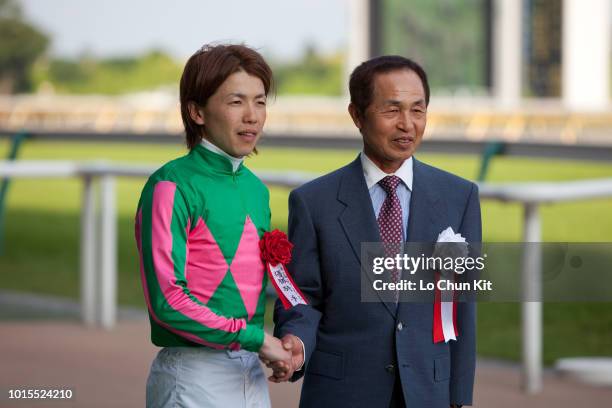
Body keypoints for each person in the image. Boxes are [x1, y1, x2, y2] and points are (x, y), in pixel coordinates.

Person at [270, 56, 480, 407]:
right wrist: (296, 342)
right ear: (357, 115)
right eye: (392, 110)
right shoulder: (313, 202)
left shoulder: (459, 198)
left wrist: (458, 397)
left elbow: (463, 307)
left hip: (428, 394)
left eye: (418, 110)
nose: (407, 125)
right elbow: (301, 296)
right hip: (340, 393)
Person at [135, 43, 289, 408]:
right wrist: (257, 339)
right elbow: (168, 302)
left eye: (261, 101)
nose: (252, 115)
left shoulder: (256, 189)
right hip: (193, 375)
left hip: (251, 371)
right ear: (197, 111)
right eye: (236, 102)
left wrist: (284, 340)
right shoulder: (170, 185)